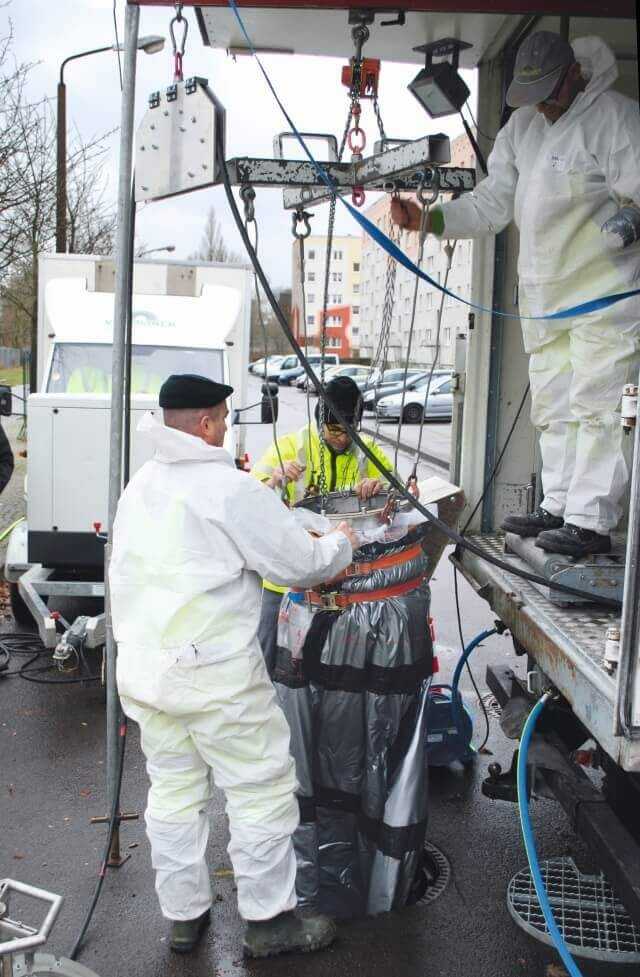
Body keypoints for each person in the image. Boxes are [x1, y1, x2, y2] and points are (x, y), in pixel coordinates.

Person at [109, 373, 359, 959]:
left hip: (147, 675)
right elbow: (299, 561)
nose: (227, 425)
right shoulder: (226, 489)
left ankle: (183, 915)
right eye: (222, 416)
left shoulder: (140, 484)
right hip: (213, 677)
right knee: (260, 791)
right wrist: (340, 542)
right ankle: (270, 923)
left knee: (173, 793)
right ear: (204, 424)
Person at [392, 32, 640, 558]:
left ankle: (590, 522)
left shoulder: (614, 118)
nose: (544, 105)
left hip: (604, 297)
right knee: (553, 407)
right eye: (534, 96)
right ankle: (559, 505)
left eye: (550, 92)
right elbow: (490, 205)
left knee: (595, 407)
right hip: (545, 302)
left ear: (572, 74)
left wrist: (630, 220)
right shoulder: (523, 128)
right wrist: (432, 218)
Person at [250, 375, 393, 675]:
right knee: (268, 657)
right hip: (287, 580)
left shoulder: (366, 451)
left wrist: (380, 487)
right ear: (320, 422)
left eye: (348, 430)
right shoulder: (291, 446)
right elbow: (249, 497)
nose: (341, 437)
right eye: (334, 429)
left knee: (332, 663)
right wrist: (275, 478)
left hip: (342, 581)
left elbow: (401, 495)